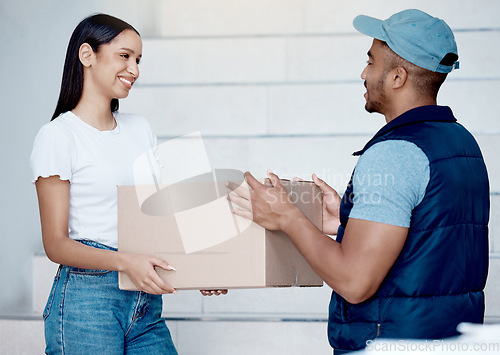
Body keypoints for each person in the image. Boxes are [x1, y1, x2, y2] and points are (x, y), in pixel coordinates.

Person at [228, 9, 489, 354]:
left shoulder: (396, 153)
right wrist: (346, 222)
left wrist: (286, 217)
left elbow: (355, 282)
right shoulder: (462, 143)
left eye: (371, 62)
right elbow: (428, 238)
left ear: (397, 77)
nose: (363, 73)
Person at [30, 13, 224, 354]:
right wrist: (125, 261)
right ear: (87, 55)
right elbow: (56, 245)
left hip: (145, 302)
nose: (134, 69)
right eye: (124, 56)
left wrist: (203, 266)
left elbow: (156, 216)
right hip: (86, 302)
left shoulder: (139, 128)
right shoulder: (58, 136)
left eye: (138, 59)